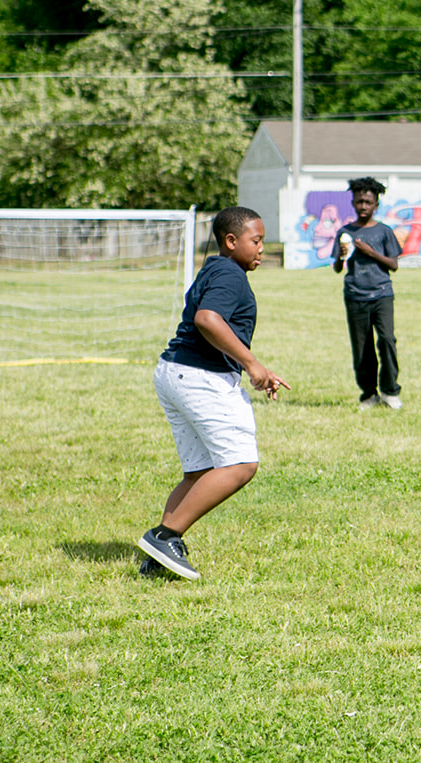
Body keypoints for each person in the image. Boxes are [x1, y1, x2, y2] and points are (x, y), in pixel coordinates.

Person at [138, 207, 288, 580]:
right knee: (240, 464)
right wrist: (253, 365)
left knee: (200, 473)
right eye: (256, 241)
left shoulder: (214, 268)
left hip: (174, 372)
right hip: (200, 377)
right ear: (231, 241)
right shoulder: (230, 274)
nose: (261, 249)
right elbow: (208, 319)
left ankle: (157, 558)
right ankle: (165, 536)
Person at [333, 176, 403, 409]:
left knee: (386, 340)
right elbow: (337, 268)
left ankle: (390, 391)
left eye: (368, 202)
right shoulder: (345, 232)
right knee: (362, 347)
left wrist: (369, 251)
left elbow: (393, 265)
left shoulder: (383, 232)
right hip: (355, 295)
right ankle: (369, 394)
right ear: (353, 203)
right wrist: (343, 255)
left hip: (382, 294)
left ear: (376, 205)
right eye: (359, 201)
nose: (363, 206)